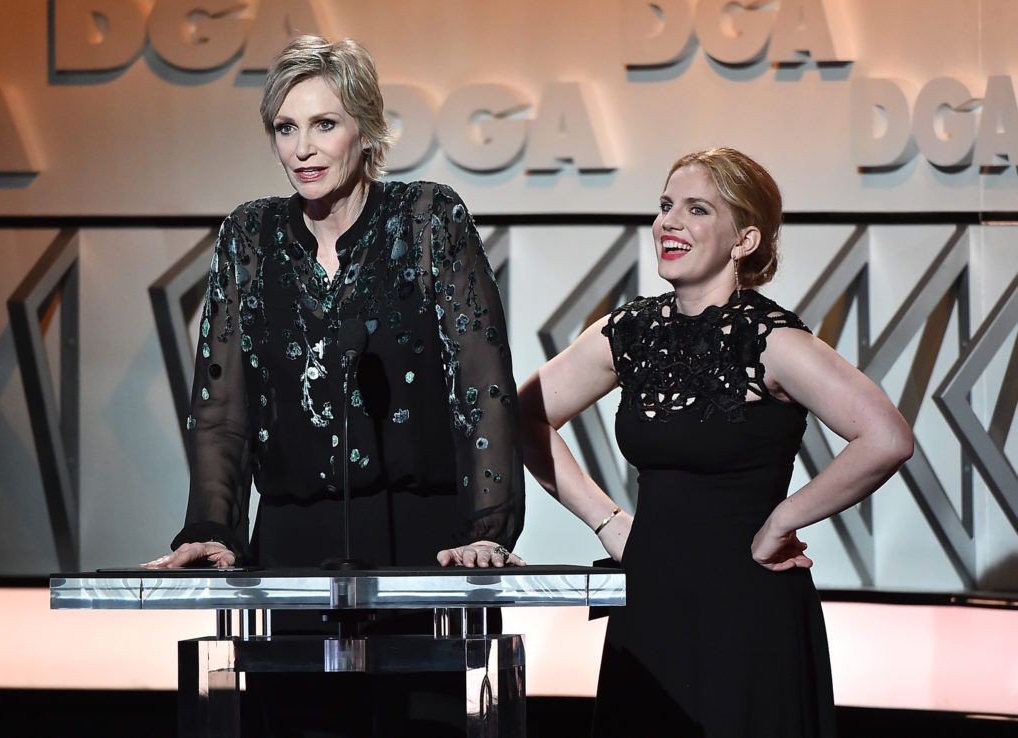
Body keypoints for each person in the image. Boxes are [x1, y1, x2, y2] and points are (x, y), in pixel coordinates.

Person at [143, 34, 524, 736]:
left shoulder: (428, 219)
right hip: (292, 543)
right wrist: (211, 528)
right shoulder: (249, 236)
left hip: (424, 543)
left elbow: (483, 384)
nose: (303, 149)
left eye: (324, 124)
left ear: (366, 129)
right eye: (286, 128)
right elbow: (221, 406)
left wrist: (487, 530)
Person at [518, 147, 914, 737]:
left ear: (744, 240)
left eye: (696, 209)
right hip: (651, 596)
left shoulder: (773, 341)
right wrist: (606, 521)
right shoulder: (630, 332)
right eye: (664, 206)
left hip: (748, 605)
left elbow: (886, 437)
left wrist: (784, 520)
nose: (668, 223)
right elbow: (521, 417)